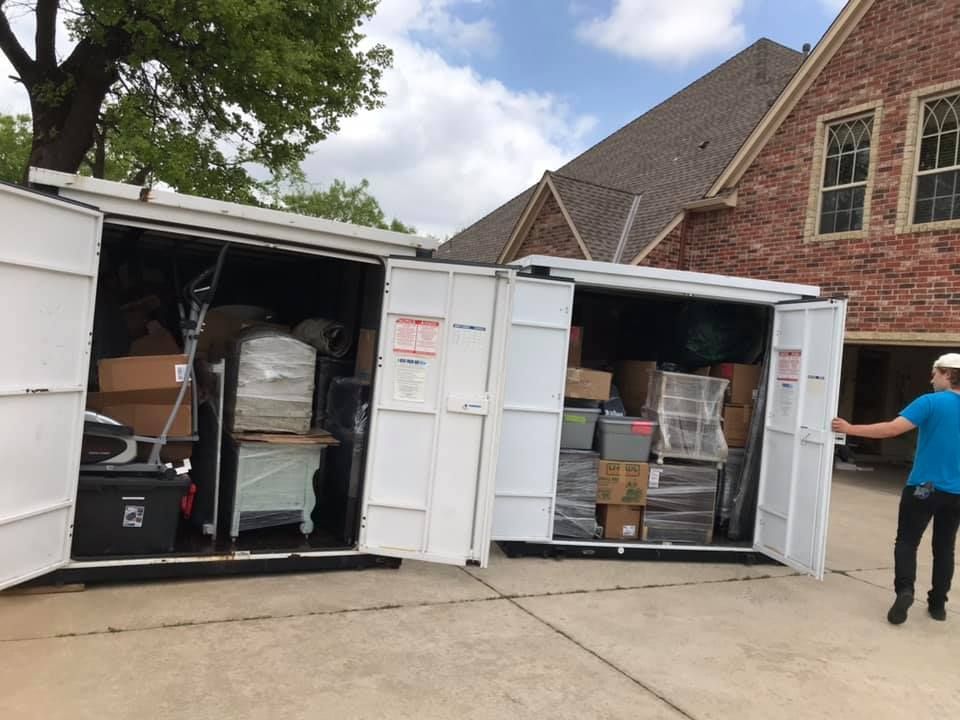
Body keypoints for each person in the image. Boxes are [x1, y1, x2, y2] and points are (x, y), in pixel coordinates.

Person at [832, 353, 960, 626]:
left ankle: (905, 591)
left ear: (948, 374)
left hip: (925, 488)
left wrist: (850, 428)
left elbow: (891, 430)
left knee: (907, 541)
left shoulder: (930, 402)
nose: (931, 379)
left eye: (935, 373)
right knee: (945, 546)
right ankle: (938, 604)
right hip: (956, 494)